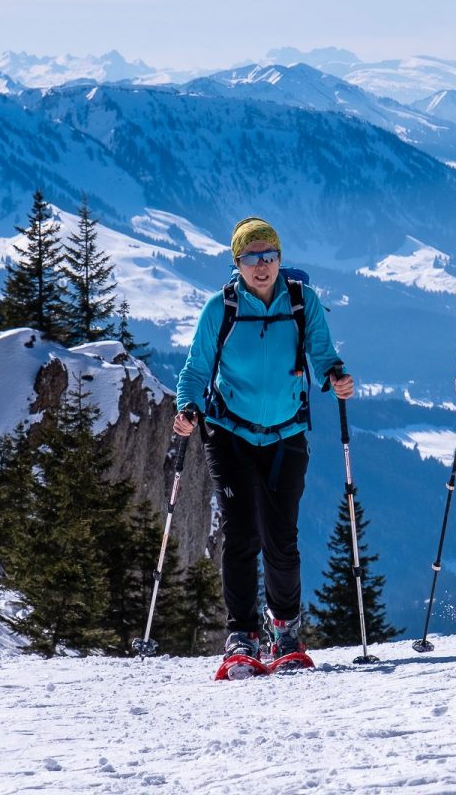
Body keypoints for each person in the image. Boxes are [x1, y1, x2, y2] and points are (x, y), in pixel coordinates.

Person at [174, 217, 354, 669]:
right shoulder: (222, 307)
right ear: (237, 263)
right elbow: (196, 368)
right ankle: (242, 634)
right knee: (241, 534)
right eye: (252, 258)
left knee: (282, 538)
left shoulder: (301, 301)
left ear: (279, 259)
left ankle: (285, 630)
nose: (262, 266)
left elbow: (322, 351)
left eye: (269, 256)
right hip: (229, 433)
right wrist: (187, 407)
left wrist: (336, 376)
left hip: (287, 434)